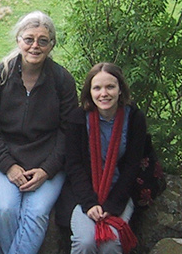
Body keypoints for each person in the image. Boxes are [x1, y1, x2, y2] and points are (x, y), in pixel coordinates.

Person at [0, 10, 78, 254]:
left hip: (46, 163)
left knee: (36, 212)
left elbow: (68, 132)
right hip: (1, 162)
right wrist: (9, 167)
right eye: (29, 39)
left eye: (43, 40)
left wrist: (47, 170)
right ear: (18, 40)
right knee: (6, 209)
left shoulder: (62, 80)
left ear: (52, 44)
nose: (35, 46)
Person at [65, 62, 147, 254]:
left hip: (118, 195)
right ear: (89, 92)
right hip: (84, 195)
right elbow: (74, 165)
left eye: (110, 86)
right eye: (97, 88)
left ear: (120, 90)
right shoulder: (77, 119)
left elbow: (132, 166)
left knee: (111, 243)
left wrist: (113, 205)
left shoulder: (134, 119)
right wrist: (89, 203)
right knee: (85, 242)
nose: (104, 93)